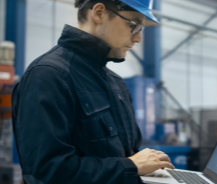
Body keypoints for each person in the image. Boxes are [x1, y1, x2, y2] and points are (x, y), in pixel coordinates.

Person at [12, 0, 174, 183]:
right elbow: (48, 171)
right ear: (98, 13)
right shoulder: (49, 75)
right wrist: (131, 166)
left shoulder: (116, 83)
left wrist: (148, 166)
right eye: (134, 25)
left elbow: (128, 156)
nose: (138, 39)